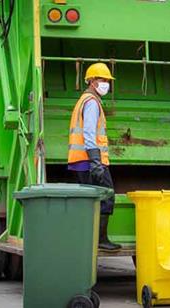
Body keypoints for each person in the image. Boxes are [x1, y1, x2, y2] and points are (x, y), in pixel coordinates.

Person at [68, 62, 121, 252]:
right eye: (101, 79)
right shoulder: (91, 102)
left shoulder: (85, 100)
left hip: (83, 160)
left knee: (91, 201)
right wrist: (96, 161)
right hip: (90, 160)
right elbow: (89, 133)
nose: (105, 83)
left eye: (107, 80)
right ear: (91, 81)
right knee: (107, 196)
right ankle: (101, 239)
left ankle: (90, 239)